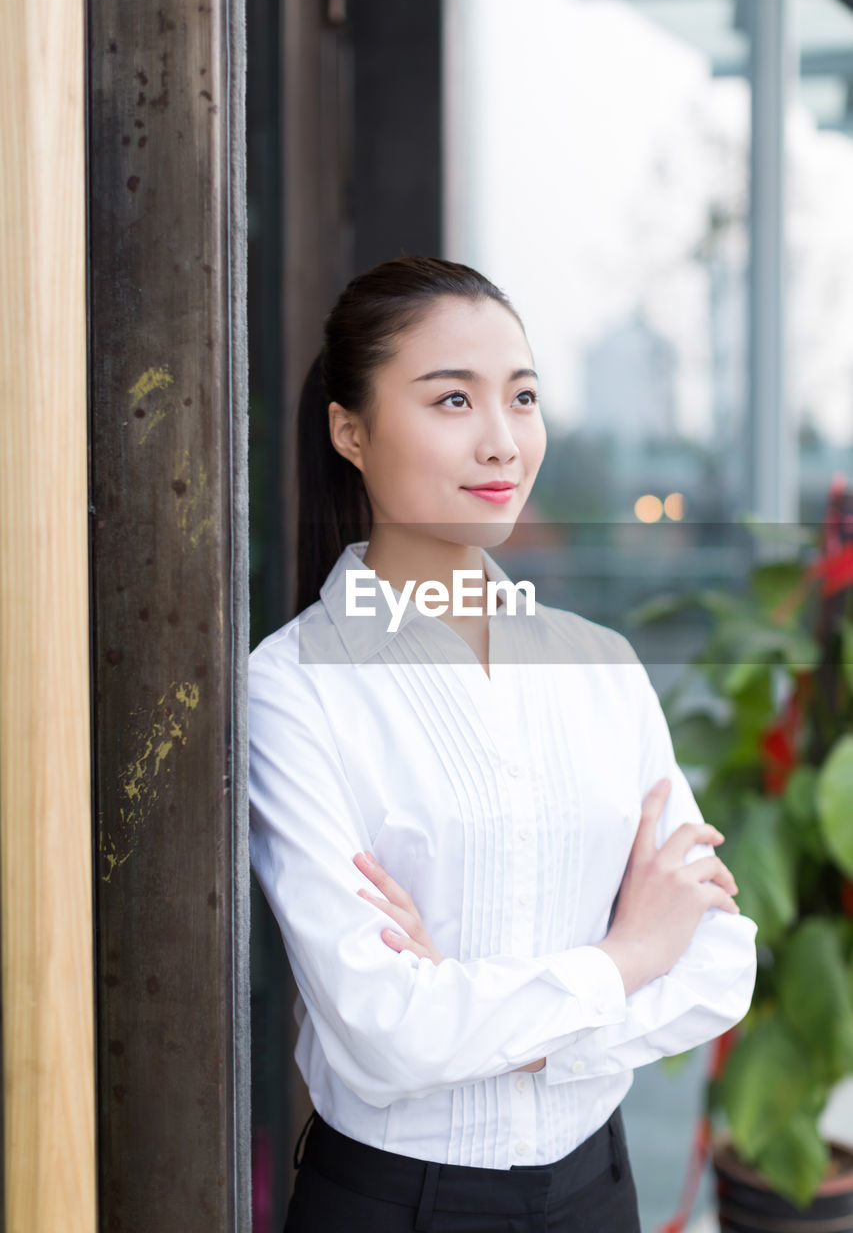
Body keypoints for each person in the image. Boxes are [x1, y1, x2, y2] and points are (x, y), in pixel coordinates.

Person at [248, 255, 758, 1233]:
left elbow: (716, 962)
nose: (501, 441)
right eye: (451, 399)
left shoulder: (598, 664)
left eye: (521, 397)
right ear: (349, 430)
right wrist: (622, 958)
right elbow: (383, 1026)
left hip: (596, 1192)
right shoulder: (296, 685)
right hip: (394, 1204)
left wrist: (493, 1020)